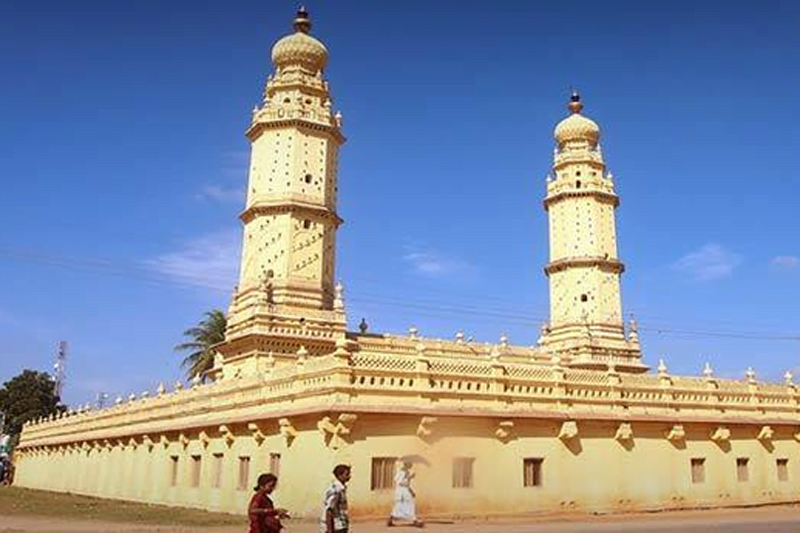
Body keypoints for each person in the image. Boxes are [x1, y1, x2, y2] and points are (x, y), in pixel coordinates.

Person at [387, 461, 423, 528]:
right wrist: (409, 477)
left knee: (406, 505)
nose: (411, 466)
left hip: (405, 491)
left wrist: (411, 490)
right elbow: (399, 483)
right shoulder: (401, 472)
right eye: (410, 465)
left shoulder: (406, 472)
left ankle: (390, 519)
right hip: (402, 492)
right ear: (407, 465)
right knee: (407, 504)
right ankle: (414, 520)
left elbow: (406, 483)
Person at [320, 464, 351, 533]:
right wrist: (330, 530)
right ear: (340, 475)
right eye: (347, 474)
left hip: (341, 525)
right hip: (336, 527)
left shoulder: (341, 488)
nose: (349, 476)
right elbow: (329, 510)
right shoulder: (336, 489)